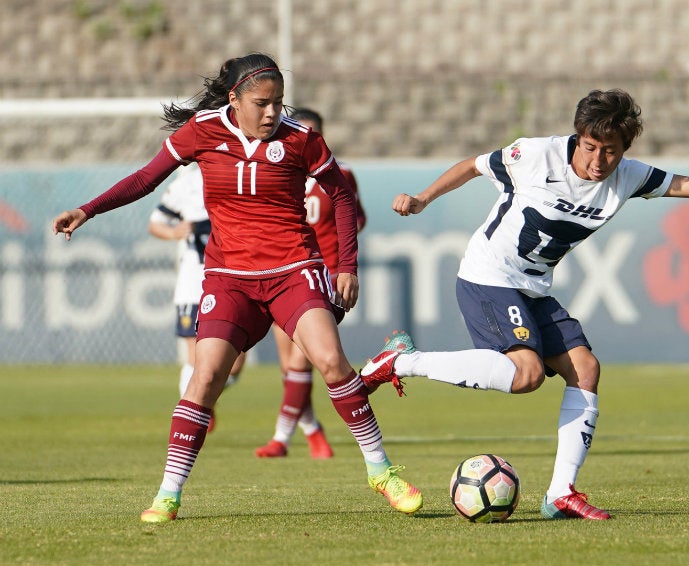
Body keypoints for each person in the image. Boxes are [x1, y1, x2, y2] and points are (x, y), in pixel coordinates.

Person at [360, 88, 689, 520]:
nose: (599, 160)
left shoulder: (628, 176)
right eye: (590, 146)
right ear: (576, 137)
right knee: (525, 376)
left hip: (532, 287)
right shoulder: (535, 154)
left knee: (585, 367)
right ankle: (402, 362)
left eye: (611, 150)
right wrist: (422, 198)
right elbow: (472, 165)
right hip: (488, 276)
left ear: (624, 149)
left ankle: (561, 491)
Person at [52, 53, 422, 523]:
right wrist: (88, 210)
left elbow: (342, 195)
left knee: (330, 360)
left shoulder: (301, 139)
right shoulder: (203, 132)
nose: (273, 113)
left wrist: (345, 265)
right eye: (263, 103)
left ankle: (381, 471)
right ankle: (168, 493)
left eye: (279, 103)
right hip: (229, 277)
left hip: (294, 268)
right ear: (235, 99)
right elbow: (146, 178)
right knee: (204, 379)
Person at [254, 108, 367, 459]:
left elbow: (356, 218)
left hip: (323, 276)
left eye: (312, 131)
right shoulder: (275, 170)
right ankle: (314, 431)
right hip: (282, 273)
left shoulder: (339, 173)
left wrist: (339, 258)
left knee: (303, 362)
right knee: (290, 366)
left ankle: (281, 438)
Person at [147, 162, 246, 432]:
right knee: (196, 356)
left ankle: (201, 400)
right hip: (194, 282)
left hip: (233, 279)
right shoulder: (185, 183)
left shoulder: (242, 173)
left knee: (235, 364)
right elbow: (155, 223)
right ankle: (190, 416)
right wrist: (174, 232)